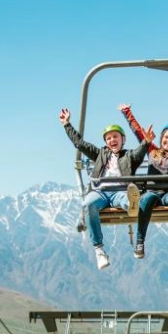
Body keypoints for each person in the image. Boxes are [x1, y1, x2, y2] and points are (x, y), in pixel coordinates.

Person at [60, 107, 151, 269]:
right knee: (88, 204)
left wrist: (146, 142)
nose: (112, 140)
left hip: (120, 191)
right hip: (100, 191)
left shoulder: (129, 156)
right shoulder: (100, 154)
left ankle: (132, 204)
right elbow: (79, 144)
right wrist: (67, 124)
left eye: (115, 137)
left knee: (125, 198)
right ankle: (99, 250)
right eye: (108, 138)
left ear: (122, 139)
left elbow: (140, 152)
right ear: (105, 142)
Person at [118, 104, 168, 259]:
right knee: (145, 200)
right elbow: (138, 132)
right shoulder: (152, 150)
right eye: (166, 137)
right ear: (161, 139)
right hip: (152, 192)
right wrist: (127, 112)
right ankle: (140, 242)